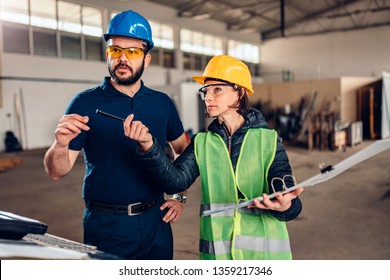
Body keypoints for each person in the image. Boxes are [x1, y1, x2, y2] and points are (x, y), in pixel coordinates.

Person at [124, 55, 304, 260]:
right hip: (219, 257)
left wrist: (286, 205)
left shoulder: (268, 140)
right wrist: (149, 146)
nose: (207, 97)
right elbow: (175, 181)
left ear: (240, 93)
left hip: (262, 258)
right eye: (206, 91)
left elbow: (286, 193)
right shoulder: (202, 142)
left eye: (217, 89)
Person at [43, 10, 189, 260]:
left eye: (132, 52)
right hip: (106, 225)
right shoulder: (85, 103)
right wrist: (59, 145)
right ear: (107, 54)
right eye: (115, 50)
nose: (122, 58)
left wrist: (179, 196)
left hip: (157, 222)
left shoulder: (162, 103)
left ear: (147, 58)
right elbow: (57, 171)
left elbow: (184, 149)